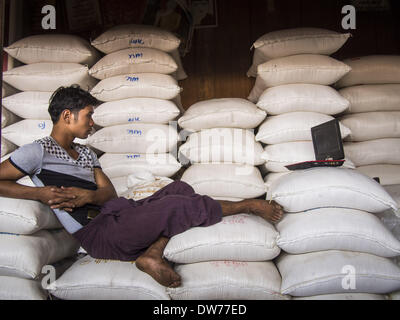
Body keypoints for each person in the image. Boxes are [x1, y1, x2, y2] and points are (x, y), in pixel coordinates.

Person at [0, 85, 284, 288]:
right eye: (88, 116)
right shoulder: (36, 152)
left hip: (116, 212)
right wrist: (37, 193)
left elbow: (108, 193)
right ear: (67, 116)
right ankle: (248, 204)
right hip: (100, 234)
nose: (92, 124)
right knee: (176, 205)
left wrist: (90, 194)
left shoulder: (85, 153)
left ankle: (151, 253)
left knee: (179, 189)